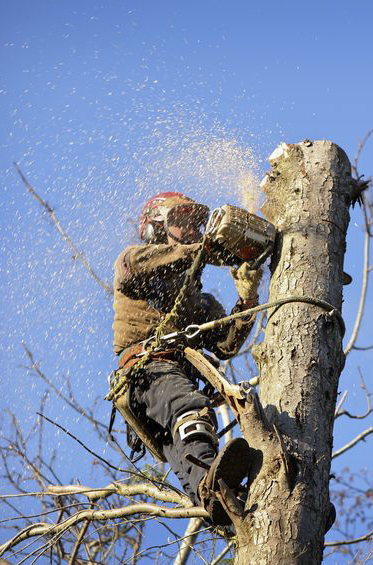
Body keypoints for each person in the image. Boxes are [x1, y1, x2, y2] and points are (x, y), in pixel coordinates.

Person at [111, 191, 262, 526]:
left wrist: (248, 297)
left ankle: (223, 499)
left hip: (168, 388)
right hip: (147, 372)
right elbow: (154, 263)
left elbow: (225, 342)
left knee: (186, 449)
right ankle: (216, 484)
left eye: (196, 223)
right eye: (182, 222)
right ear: (155, 227)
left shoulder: (197, 301)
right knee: (191, 409)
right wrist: (208, 249)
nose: (193, 229)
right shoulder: (134, 259)